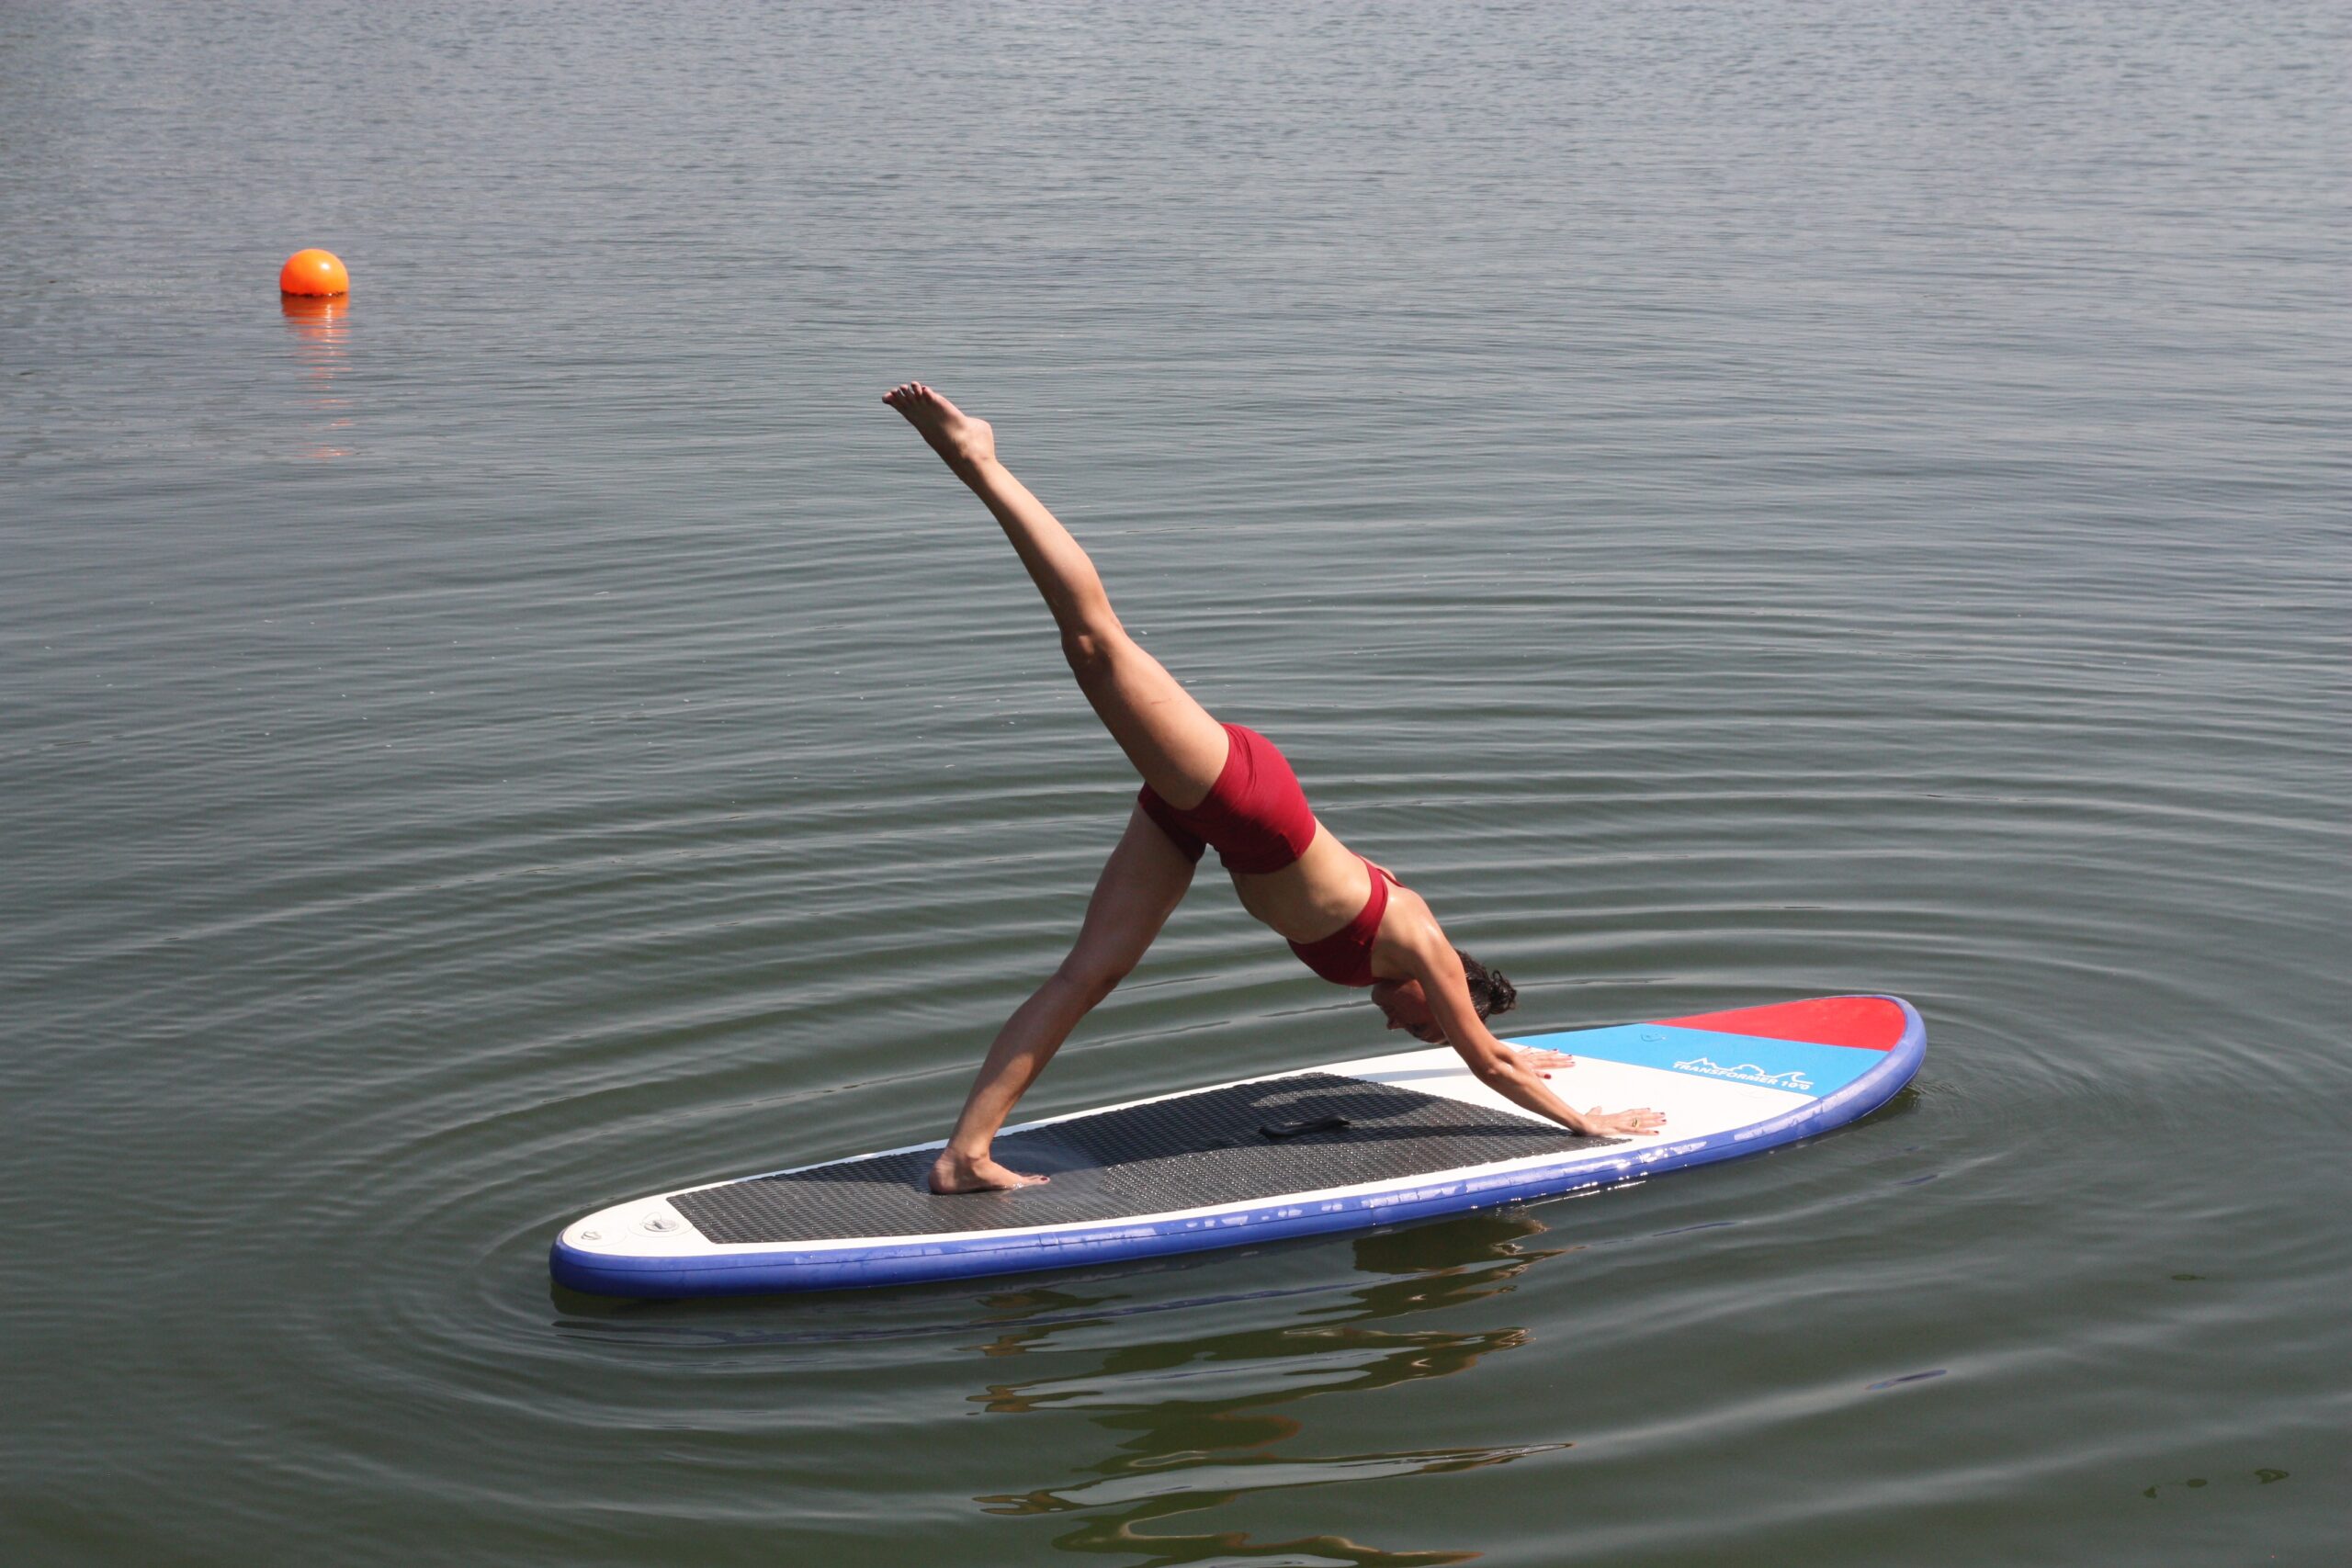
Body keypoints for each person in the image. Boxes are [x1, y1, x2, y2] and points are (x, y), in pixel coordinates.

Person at [882, 384, 1667, 1193]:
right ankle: (978, 457)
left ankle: (963, 1155)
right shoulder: (1421, 943)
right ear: (1445, 993)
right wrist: (1586, 1123)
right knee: (1094, 643)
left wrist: (1509, 1049)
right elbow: (1485, 1063)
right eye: (1423, 1029)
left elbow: (1486, 1050)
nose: (1399, 1029)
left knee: (1089, 974)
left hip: (1206, 829)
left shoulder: (1423, 957)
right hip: (1246, 801)